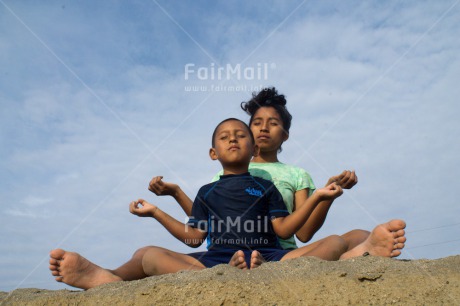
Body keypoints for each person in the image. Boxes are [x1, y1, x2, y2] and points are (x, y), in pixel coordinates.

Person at [49, 118, 406, 289]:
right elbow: (193, 238)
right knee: (149, 255)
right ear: (212, 152)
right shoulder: (206, 191)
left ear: (253, 148)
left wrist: (317, 200)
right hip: (215, 258)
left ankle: (361, 253)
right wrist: (157, 211)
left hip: (270, 256)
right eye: (224, 137)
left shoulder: (264, 186)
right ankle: (104, 281)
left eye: (240, 136)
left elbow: (282, 229)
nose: (233, 139)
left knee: (330, 243)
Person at [149, 87, 398, 265]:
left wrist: (326, 195)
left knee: (352, 235)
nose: (264, 128)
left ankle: (362, 253)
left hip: (279, 251)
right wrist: (176, 194)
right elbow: (204, 221)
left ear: (285, 134)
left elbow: (302, 234)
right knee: (147, 255)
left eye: (273, 123)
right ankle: (349, 257)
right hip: (225, 253)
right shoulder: (218, 180)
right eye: (257, 123)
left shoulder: (296, 175)